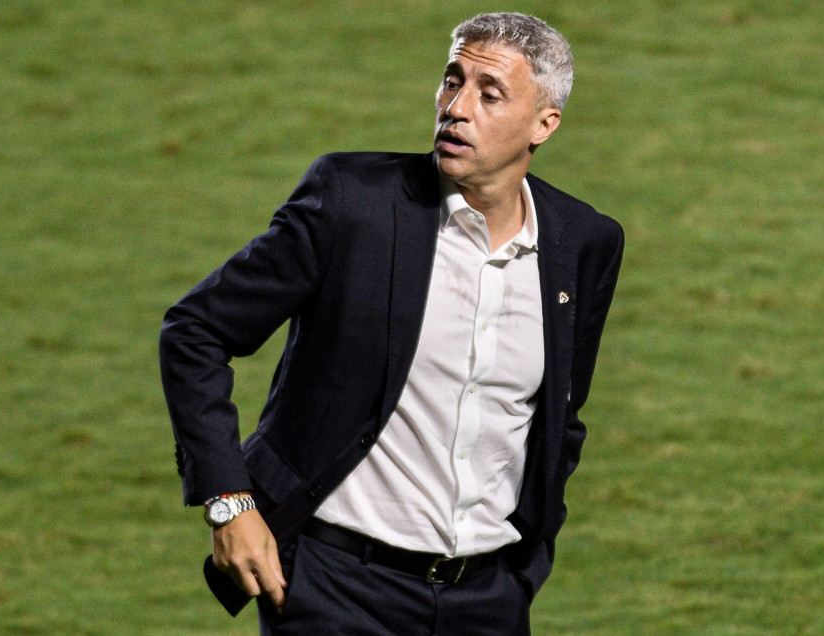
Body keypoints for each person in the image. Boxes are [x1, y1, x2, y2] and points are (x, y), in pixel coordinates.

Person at [159, 12, 624, 635]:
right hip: (335, 589)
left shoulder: (584, 242)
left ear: (545, 124)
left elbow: (560, 415)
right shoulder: (355, 203)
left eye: (490, 95)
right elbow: (195, 332)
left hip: (486, 599)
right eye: (451, 81)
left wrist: (525, 565)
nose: (456, 108)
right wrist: (229, 503)